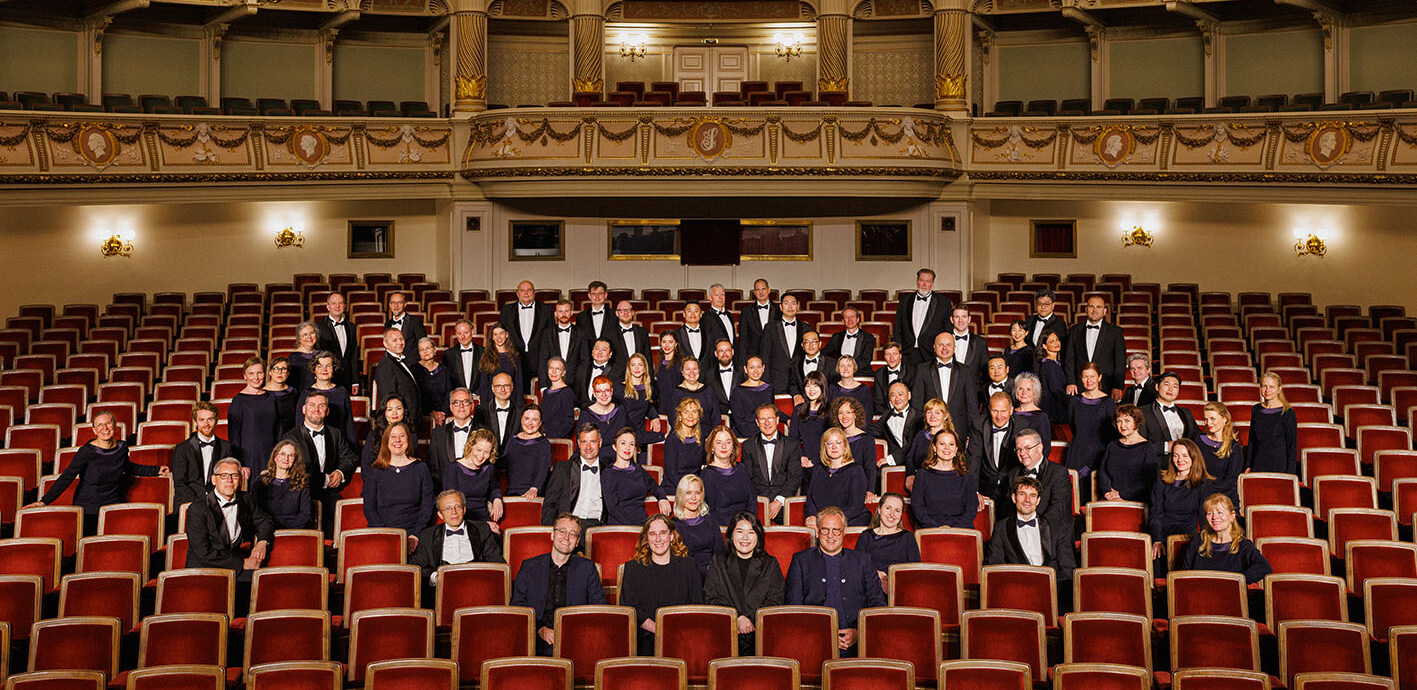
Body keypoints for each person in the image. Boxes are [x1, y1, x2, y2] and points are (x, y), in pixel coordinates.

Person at [30, 409, 169, 528]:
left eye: (108, 423)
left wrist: (156, 470)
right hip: (88, 507)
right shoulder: (86, 452)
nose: (105, 428)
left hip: (113, 504)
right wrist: (44, 501)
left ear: (114, 425)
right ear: (94, 430)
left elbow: (128, 467)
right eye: (100, 425)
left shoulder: (122, 447)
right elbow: (67, 477)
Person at [786, 507, 886, 653]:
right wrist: (823, 635)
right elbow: (794, 608)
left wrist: (859, 633)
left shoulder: (863, 561)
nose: (830, 535)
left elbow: (877, 604)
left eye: (836, 530)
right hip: (813, 642)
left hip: (857, 645)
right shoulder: (800, 560)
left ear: (844, 531)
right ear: (817, 531)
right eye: (825, 530)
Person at [510, 513, 606, 654]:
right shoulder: (529, 567)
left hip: (575, 641)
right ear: (552, 534)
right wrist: (540, 630)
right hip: (535, 641)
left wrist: (573, 633)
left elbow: (599, 608)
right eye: (562, 531)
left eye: (572, 534)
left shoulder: (587, 568)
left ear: (577, 541)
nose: (566, 537)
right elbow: (517, 608)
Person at [619, 514, 704, 654]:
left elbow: (696, 605)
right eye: (652, 534)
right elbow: (630, 607)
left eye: (663, 533)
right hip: (645, 639)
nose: (658, 539)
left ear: (671, 536)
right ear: (646, 539)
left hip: (682, 637)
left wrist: (675, 633)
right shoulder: (633, 568)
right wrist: (658, 630)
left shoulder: (689, 566)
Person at [704, 511, 785, 655]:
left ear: (758, 536)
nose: (745, 538)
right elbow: (711, 597)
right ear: (731, 535)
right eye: (740, 531)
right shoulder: (718, 562)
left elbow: (776, 600)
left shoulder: (770, 564)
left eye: (751, 532)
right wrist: (737, 618)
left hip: (760, 635)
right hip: (725, 634)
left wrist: (750, 621)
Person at [184, 457, 275, 578]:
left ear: (240, 480)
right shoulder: (197, 509)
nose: (230, 480)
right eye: (224, 476)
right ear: (214, 480)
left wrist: (262, 543)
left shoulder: (246, 499)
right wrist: (242, 563)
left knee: (264, 579)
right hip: (205, 568)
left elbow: (265, 521)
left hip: (234, 563)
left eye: (234, 476)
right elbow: (203, 553)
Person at [280, 391, 357, 530]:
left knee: (345, 516)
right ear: (304, 409)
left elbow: (349, 457)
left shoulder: (335, 433)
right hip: (302, 493)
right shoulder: (291, 437)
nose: (316, 409)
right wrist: (325, 479)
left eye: (321, 406)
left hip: (329, 494)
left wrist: (340, 472)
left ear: (327, 411)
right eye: (312, 405)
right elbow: (297, 469)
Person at [985, 476, 1076, 581]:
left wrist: (1053, 588)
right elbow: (993, 566)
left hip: (1051, 587)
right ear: (1014, 498)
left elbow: (1068, 568)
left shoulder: (1056, 527)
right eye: (1022, 494)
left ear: (1038, 501)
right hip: (1018, 586)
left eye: (1032, 495)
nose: (1027, 500)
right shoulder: (1001, 528)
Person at [411, 490, 504, 586]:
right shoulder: (428, 535)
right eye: (448, 508)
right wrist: (435, 577)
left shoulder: (482, 530)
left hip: (476, 586)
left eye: (457, 507)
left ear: (464, 509)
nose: (454, 512)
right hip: (442, 589)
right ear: (440, 515)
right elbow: (415, 567)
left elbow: (498, 563)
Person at [1178, 493, 1273, 584]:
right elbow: (1184, 574)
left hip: (1230, 594)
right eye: (1210, 513)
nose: (1214, 517)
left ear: (1232, 516)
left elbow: (1264, 567)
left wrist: (1238, 581)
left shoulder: (1243, 545)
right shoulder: (1198, 541)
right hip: (1200, 592)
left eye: (1220, 512)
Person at [362, 421, 435, 538]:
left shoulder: (421, 468)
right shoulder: (376, 470)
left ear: (408, 440)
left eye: (402, 436)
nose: (397, 440)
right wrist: (386, 535)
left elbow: (427, 507)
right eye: (393, 437)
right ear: (386, 441)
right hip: (382, 533)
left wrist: (416, 535)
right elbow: (369, 509)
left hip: (415, 534)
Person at [1150, 439, 1215, 563]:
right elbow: (1156, 514)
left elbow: (1204, 517)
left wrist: (1206, 541)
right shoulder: (1162, 480)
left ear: (1193, 457)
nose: (1180, 460)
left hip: (1188, 537)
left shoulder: (1203, 483)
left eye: (1185, 456)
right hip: (1163, 535)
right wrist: (1157, 539)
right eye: (1176, 455)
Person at [997, 428, 1071, 534]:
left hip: (1051, 534)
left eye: (1027, 448)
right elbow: (1007, 508)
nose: (1022, 453)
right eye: (1019, 449)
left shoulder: (1059, 473)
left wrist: (1033, 529)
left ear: (1039, 448)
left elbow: (1058, 510)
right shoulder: (1013, 473)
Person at [740, 403, 801, 522]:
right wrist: (760, 502)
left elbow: (795, 477)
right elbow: (747, 478)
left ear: (777, 420)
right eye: (762, 419)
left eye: (770, 418)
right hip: (757, 502)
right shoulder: (748, 445)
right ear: (757, 422)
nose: (767, 423)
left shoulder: (791, 445)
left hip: (784, 502)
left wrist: (779, 500)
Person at [541, 424, 608, 527]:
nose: (588, 447)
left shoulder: (608, 471)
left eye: (592, 442)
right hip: (569, 527)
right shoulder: (563, 469)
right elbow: (550, 504)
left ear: (600, 443)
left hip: (598, 527)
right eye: (584, 442)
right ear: (578, 443)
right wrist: (551, 530)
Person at [911, 429, 979, 529]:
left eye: (951, 444)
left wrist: (952, 529)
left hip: (961, 529)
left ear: (956, 449)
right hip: (929, 529)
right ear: (934, 447)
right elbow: (918, 508)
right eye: (942, 444)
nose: (947, 448)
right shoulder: (922, 474)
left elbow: (971, 510)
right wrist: (937, 528)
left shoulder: (965, 476)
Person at [855, 492, 920, 594]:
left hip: (900, 590)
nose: (892, 514)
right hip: (870, 589)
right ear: (879, 509)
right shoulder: (866, 536)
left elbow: (915, 572)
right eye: (888, 508)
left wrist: (889, 579)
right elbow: (857, 568)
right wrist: (877, 575)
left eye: (897, 510)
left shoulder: (908, 537)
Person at [602, 427, 670, 525]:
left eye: (632, 444)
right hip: (620, 525)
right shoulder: (609, 473)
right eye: (623, 443)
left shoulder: (638, 469)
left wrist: (662, 498)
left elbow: (654, 486)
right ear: (615, 447)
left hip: (641, 520)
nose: (628, 448)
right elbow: (613, 508)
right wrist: (635, 526)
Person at [911, 332, 977, 433]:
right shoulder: (922, 369)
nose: (944, 348)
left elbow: (972, 406)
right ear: (934, 347)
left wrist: (973, 433)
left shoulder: (966, 371)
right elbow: (917, 403)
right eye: (940, 345)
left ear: (954, 348)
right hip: (930, 430)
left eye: (948, 345)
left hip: (959, 429)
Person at [805, 428, 871, 528]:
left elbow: (855, 507)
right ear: (824, 447)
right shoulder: (818, 470)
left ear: (845, 447)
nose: (834, 447)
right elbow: (810, 500)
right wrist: (811, 516)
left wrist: (830, 521)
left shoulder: (856, 470)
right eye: (829, 443)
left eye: (838, 442)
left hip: (849, 521)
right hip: (821, 522)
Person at [1063, 295, 1127, 398]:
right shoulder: (1074, 330)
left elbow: (1120, 361)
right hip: (1079, 386)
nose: (1094, 310)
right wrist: (1071, 381)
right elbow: (1069, 358)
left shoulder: (1115, 332)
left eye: (1098, 307)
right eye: (1091, 306)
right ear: (1086, 310)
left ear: (1105, 311)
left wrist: (1117, 386)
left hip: (1106, 386)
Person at [1097, 404, 1161, 504]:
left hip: (1135, 501)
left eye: (1127, 421)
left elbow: (1149, 482)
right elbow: (1102, 472)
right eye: (1119, 421)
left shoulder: (1147, 449)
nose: (1122, 425)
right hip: (1109, 498)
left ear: (1136, 422)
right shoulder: (1112, 445)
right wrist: (1108, 492)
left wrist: (1121, 495)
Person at [171, 401, 232, 506]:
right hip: (189, 503)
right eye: (202, 420)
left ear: (216, 421)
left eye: (210, 419)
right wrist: (200, 505)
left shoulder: (226, 447)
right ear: (195, 422)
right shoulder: (182, 448)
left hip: (217, 503)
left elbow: (226, 480)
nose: (206, 424)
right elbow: (180, 483)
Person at [1067, 364, 1118, 487]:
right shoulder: (1074, 401)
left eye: (1092, 376)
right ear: (1081, 378)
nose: (1089, 380)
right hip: (1077, 453)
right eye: (1085, 377)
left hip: (1100, 454)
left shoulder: (1109, 403)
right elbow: (1073, 427)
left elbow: (1111, 434)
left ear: (1099, 377)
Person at [229, 356, 281, 476]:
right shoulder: (239, 401)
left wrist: (279, 453)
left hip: (271, 452)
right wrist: (240, 462)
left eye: (259, 373)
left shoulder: (271, 398)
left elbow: (277, 429)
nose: (256, 377)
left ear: (265, 374)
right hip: (249, 455)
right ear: (245, 376)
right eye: (251, 373)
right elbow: (234, 435)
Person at [965, 392, 1020, 500]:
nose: (999, 416)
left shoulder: (1021, 426)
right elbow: (974, 458)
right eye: (995, 411)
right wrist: (974, 491)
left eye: (1003, 411)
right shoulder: (978, 424)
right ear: (989, 409)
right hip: (985, 486)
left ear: (1011, 410)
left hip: (1012, 487)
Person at [445, 429, 504, 528]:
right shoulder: (453, 469)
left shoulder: (489, 468)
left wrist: (497, 499)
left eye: (486, 452)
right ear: (471, 446)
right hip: (460, 520)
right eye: (478, 450)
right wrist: (483, 525)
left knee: (495, 534)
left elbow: (494, 488)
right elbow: (452, 504)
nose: (481, 456)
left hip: (483, 517)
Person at [498, 280, 551, 388]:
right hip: (513, 361)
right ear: (517, 293)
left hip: (539, 361)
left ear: (534, 293)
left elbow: (551, 337)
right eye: (522, 290)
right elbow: (501, 335)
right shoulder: (506, 311)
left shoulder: (546, 310)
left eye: (529, 290)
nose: (526, 293)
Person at [702, 425, 758, 527]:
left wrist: (748, 523)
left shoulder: (741, 469)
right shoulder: (707, 475)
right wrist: (733, 528)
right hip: (722, 528)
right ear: (712, 447)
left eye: (728, 442)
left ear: (733, 447)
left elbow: (752, 500)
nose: (724, 446)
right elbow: (711, 512)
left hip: (746, 526)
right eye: (718, 442)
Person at [894, 267, 951, 366]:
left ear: (932, 283)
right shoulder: (905, 301)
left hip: (931, 354)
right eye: (921, 280)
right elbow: (898, 328)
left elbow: (947, 329)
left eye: (928, 281)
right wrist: (898, 351)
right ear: (917, 281)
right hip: (907, 353)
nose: (924, 284)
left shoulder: (943, 302)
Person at [298, 350, 357, 444]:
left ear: (333, 368)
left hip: (337, 443)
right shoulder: (306, 393)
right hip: (312, 443)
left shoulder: (342, 391)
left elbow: (348, 424)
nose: (324, 370)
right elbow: (299, 423)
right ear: (314, 369)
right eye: (320, 366)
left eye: (328, 366)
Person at [253, 440, 313, 529]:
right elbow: (256, 512)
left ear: (295, 459)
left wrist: (288, 531)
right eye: (282, 454)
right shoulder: (261, 482)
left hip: (294, 530)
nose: (286, 458)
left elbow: (305, 514)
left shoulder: (302, 483)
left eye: (291, 455)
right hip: (267, 529)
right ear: (275, 456)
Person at [1248, 371, 1298, 475]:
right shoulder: (1256, 409)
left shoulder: (1288, 412)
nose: (1267, 390)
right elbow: (1252, 440)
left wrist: (1290, 473)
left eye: (1271, 387)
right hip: (1258, 463)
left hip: (1279, 466)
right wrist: (1248, 465)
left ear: (1279, 389)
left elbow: (1292, 446)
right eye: (1264, 386)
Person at [1142, 371, 1200, 459]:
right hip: (1157, 464)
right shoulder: (1143, 412)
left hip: (1184, 463)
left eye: (1175, 386)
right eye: (1167, 384)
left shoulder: (1186, 413)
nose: (1170, 389)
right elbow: (1137, 446)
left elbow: (1197, 437)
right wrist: (1165, 447)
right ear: (1157, 387)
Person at [672, 474, 722, 574]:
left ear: (702, 495)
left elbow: (720, 551)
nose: (693, 498)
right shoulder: (673, 525)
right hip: (686, 574)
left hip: (711, 573)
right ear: (681, 495)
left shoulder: (710, 520)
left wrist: (714, 569)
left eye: (697, 493)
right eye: (688, 493)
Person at [762, 295, 811, 395]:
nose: (790, 307)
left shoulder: (806, 328)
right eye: (786, 303)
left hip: (800, 382)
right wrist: (766, 384)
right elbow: (765, 355)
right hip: (776, 382)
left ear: (797, 307)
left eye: (793, 303)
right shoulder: (770, 328)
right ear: (780, 307)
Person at [428, 388, 476, 488]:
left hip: (475, 491)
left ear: (472, 406)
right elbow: (434, 469)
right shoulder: (438, 434)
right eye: (456, 402)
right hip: (446, 491)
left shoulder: (484, 432)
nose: (461, 406)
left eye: (465, 402)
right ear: (451, 407)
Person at [1198, 402, 1244, 504]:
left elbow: (1230, 480)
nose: (1208, 423)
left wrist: (1208, 490)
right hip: (1200, 494)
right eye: (1206, 419)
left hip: (1224, 496)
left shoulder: (1234, 446)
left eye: (1212, 419)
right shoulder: (1198, 441)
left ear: (1224, 419)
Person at [359, 394, 418, 473]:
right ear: (384, 412)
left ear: (404, 411)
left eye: (398, 408)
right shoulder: (374, 435)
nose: (394, 413)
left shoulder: (411, 435)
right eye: (390, 409)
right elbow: (366, 467)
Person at [871, 382, 922, 470]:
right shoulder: (886, 416)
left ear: (909, 395)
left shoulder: (920, 417)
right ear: (889, 399)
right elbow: (872, 431)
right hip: (893, 462)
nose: (897, 398)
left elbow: (914, 444)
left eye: (900, 394)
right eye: (893, 395)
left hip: (915, 461)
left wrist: (891, 459)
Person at [832, 396, 878, 492]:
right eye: (840, 413)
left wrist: (869, 490)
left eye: (848, 412)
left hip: (857, 486)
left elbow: (870, 468)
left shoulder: (866, 439)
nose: (844, 416)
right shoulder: (834, 437)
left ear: (856, 414)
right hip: (837, 484)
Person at [506, 405, 553, 497]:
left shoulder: (544, 444)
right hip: (511, 490)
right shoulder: (513, 439)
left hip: (532, 492)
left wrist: (535, 488)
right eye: (527, 418)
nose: (530, 423)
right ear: (521, 420)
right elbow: (504, 462)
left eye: (534, 420)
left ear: (540, 422)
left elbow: (543, 469)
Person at [537, 299, 587, 385]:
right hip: (552, 383)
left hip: (575, 383)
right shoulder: (547, 333)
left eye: (566, 311)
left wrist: (581, 384)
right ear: (556, 314)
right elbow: (543, 360)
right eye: (560, 311)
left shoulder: (581, 333)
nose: (564, 314)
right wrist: (543, 385)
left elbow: (585, 361)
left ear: (571, 312)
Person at [315, 292, 360, 391]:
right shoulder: (318, 327)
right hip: (327, 379)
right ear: (328, 306)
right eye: (334, 303)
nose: (337, 306)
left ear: (345, 306)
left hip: (347, 379)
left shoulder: (351, 326)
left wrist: (355, 381)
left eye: (340, 303)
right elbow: (317, 356)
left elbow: (353, 355)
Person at [789, 371, 831, 473]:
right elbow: (793, 438)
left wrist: (816, 460)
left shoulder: (829, 412)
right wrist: (801, 456)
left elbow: (831, 442)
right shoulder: (798, 410)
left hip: (824, 461)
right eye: (808, 386)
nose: (811, 390)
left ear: (822, 388)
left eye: (815, 386)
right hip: (803, 461)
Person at [663, 397, 706, 493]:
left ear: (698, 415)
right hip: (675, 486)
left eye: (694, 412)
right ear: (680, 416)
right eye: (686, 412)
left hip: (694, 485)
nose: (690, 416)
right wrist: (688, 489)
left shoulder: (700, 438)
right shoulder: (673, 439)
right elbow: (671, 473)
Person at [907, 398, 958, 479]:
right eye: (929, 412)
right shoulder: (920, 435)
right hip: (920, 478)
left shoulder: (950, 437)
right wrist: (910, 475)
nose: (932, 416)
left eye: (937, 413)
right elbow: (910, 458)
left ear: (945, 416)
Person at [579, 376, 627, 462]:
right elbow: (585, 444)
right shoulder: (586, 414)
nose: (604, 395)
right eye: (599, 391)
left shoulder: (620, 410)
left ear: (611, 391)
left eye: (607, 391)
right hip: (593, 456)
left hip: (618, 456)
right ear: (594, 394)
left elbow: (629, 435)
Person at [475, 373, 524, 454]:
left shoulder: (521, 411)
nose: (503, 390)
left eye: (506, 386)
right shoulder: (481, 410)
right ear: (492, 388)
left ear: (512, 387)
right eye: (498, 386)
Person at [621, 353, 663, 446]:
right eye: (633, 365)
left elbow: (648, 405)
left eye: (640, 365)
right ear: (629, 368)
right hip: (623, 435)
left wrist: (654, 416)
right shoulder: (620, 389)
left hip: (639, 434)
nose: (636, 368)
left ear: (644, 368)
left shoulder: (648, 389)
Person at [665, 358, 719, 430]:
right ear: (682, 372)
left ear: (699, 370)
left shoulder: (709, 391)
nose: (691, 372)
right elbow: (673, 420)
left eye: (694, 369)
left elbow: (716, 418)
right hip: (683, 434)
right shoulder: (676, 393)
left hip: (707, 434)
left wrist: (713, 435)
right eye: (688, 369)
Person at [737, 278, 780, 365]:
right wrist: (742, 363)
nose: (761, 292)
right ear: (754, 292)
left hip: (775, 357)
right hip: (753, 358)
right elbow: (743, 340)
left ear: (768, 290)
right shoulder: (746, 312)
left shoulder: (779, 310)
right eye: (757, 290)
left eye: (763, 289)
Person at [479, 323, 525, 403]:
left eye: (501, 333)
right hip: (492, 401)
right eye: (495, 334)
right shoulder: (486, 357)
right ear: (492, 337)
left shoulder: (515, 357)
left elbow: (519, 383)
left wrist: (519, 405)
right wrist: (484, 405)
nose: (498, 337)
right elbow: (484, 384)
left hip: (511, 400)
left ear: (506, 334)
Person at [730, 356, 775, 437]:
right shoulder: (738, 391)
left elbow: (772, 410)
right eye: (752, 367)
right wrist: (756, 437)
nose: (756, 371)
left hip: (766, 429)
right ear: (745, 369)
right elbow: (739, 421)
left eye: (758, 367)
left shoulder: (769, 388)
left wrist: (788, 419)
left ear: (763, 368)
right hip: (745, 434)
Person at [824, 308, 877, 374]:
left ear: (857, 319)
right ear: (843, 321)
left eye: (852, 317)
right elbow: (824, 353)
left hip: (860, 373)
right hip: (840, 373)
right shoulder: (837, 337)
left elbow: (866, 361)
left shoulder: (868, 337)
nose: (850, 319)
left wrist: (850, 369)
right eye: (846, 317)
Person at [1012, 373, 1054, 451]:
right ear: (1016, 391)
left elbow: (1045, 448)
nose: (1024, 393)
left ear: (1035, 393)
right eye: (1020, 389)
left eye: (1028, 389)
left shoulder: (1041, 417)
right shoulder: (1010, 413)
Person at [538, 357, 577, 439]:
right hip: (544, 437)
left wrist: (552, 438)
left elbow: (568, 423)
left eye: (557, 369)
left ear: (563, 372)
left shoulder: (567, 393)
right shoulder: (546, 392)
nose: (554, 372)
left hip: (558, 439)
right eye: (551, 368)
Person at [442, 318, 484, 395]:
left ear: (472, 331)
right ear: (455, 334)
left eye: (466, 333)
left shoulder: (483, 352)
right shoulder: (448, 354)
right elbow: (447, 382)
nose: (462, 336)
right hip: (458, 397)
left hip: (479, 397)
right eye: (459, 333)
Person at [415, 337, 451, 426]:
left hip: (443, 415)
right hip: (422, 414)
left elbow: (449, 392)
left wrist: (443, 413)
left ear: (434, 350)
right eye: (422, 349)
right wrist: (431, 413)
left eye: (428, 348)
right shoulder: (414, 370)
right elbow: (415, 396)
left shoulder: (444, 370)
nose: (425, 351)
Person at [790, 330, 835, 400]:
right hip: (804, 404)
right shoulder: (796, 364)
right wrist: (796, 395)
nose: (810, 345)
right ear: (802, 345)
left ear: (820, 344)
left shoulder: (832, 363)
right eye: (807, 342)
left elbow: (835, 387)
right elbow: (792, 385)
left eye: (814, 342)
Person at [1036, 332, 1069, 422]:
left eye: (1057, 340)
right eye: (1051, 341)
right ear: (1044, 346)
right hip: (1055, 411)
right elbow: (1056, 390)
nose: (1056, 343)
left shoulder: (1054, 363)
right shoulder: (1049, 364)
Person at [872, 342, 913, 413]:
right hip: (886, 414)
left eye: (894, 354)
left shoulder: (911, 372)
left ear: (900, 356)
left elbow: (916, 399)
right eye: (888, 354)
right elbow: (878, 401)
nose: (891, 358)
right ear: (884, 357)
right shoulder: (879, 373)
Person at [829, 356, 873, 421]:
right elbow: (829, 414)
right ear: (838, 369)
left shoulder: (864, 390)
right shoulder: (832, 388)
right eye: (842, 366)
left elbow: (868, 416)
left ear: (854, 368)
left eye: (849, 366)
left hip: (858, 426)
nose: (845, 368)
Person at [948, 306, 987, 379]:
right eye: (957, 317)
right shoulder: (943, 341)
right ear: (951, 319)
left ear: (969, 319)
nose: (960, 320)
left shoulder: (980, 342)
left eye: (964, 317)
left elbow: (986, 372)